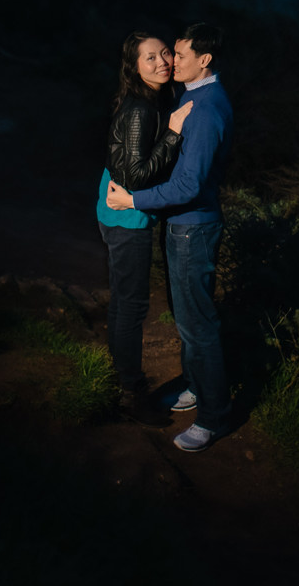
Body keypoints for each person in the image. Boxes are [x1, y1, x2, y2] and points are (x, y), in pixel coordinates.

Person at [106, 21, 232, 453]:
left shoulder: (206, 108)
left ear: (204, 59)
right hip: (182, 224)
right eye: (165, 54)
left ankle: (214, 418)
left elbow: (188, 186)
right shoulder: (189, 96)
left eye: (178, 55)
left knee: (198, 327)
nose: (170, 62)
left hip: (192, 226)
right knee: (187, 320)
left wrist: (133, 202)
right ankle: (195, 387)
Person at [97, 31, 185, 427]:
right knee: (131, 306)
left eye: (165, 53)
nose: (162, 62)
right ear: (135, 67)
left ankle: (118, 380)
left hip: (117, 209)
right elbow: (135, 175)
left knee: (122, 300)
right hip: (126, 215)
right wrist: (174, 134)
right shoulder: (141, 110)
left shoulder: (149, 101)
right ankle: (131, 392)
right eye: (150, 58)